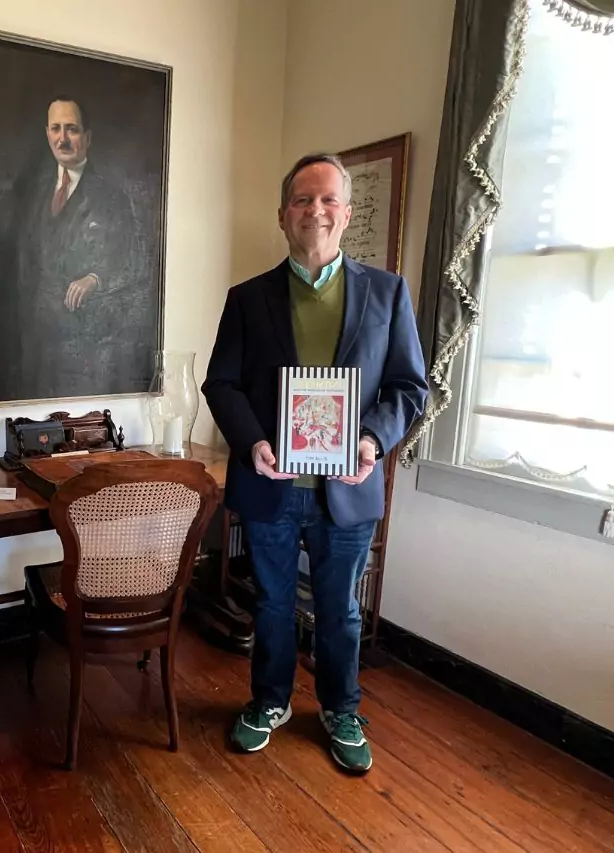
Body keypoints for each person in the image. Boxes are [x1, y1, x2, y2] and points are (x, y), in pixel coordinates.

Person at [201, 154, 427, 773]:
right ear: (282, 215)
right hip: (272, 483)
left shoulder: (388, 293)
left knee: (341, 607)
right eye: (303, 199)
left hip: (347, 487)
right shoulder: (247, 299)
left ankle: (340, 708)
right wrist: (252, 442)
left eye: (328, 200)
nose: (315, 210)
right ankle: (269, 701)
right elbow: (222, 384)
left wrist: (373, 442)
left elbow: (410, 387)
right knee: (272, 603)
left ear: (347, 214)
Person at [0, 96, 142, 401]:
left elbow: (130, 260)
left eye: (71, 129)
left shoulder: (110, 196)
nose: (63, 138)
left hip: (80, 341)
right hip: (30, 333)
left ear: (87, 137)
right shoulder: (32, 186)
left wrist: (95, 278)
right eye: (56, 128)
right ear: (47, 133)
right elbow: (13, 236)